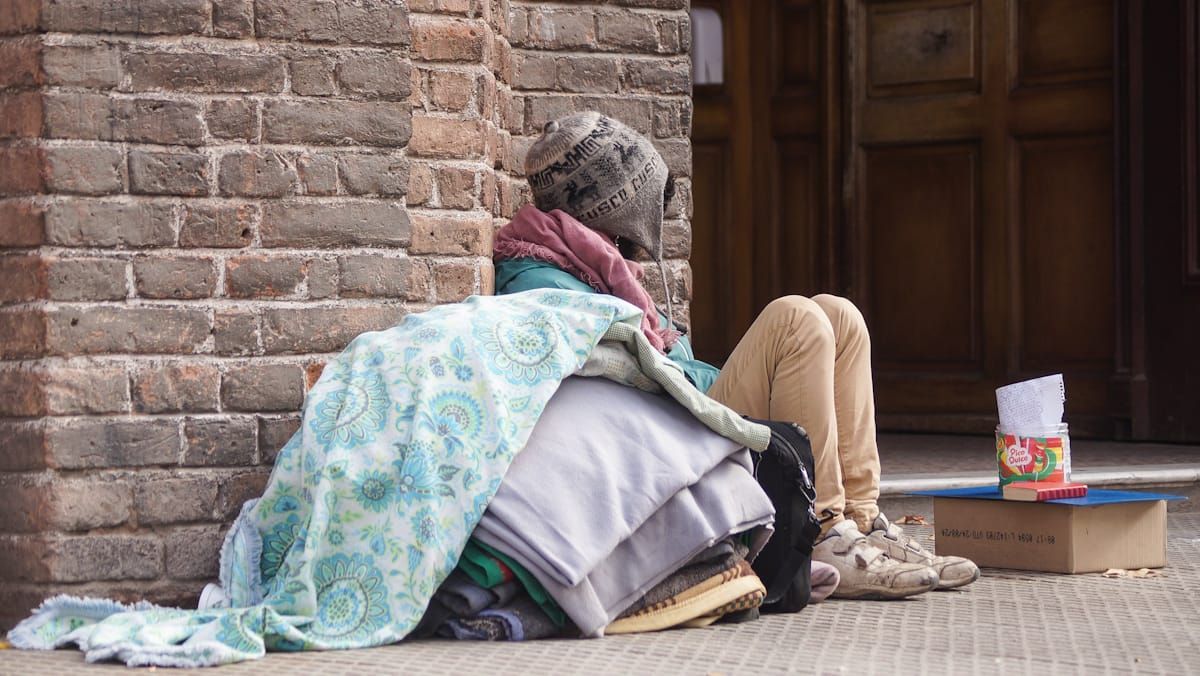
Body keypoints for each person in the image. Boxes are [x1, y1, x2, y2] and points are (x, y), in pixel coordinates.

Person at [492, 112, 980, 600]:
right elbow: (626, 383)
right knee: (794, 318)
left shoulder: (591, 258)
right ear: (607, 205)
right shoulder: (540, 276)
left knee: (839, 315)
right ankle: (826, 531)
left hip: (684, 407)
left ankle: (863, 519)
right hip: (667, 431)